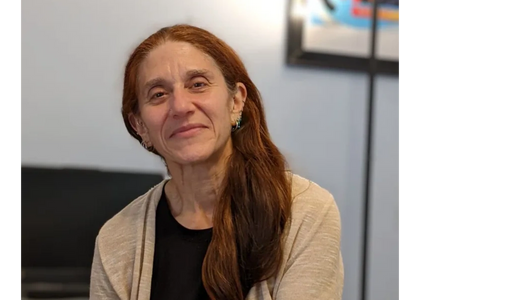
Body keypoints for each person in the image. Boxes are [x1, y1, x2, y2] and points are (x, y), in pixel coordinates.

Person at [90, 24, 344, 300]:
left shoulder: (305, 212)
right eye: (158, 94)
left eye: (197, 85)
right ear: (139, 125)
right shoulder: (115, 241)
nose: (181, 107)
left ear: (235, 101)